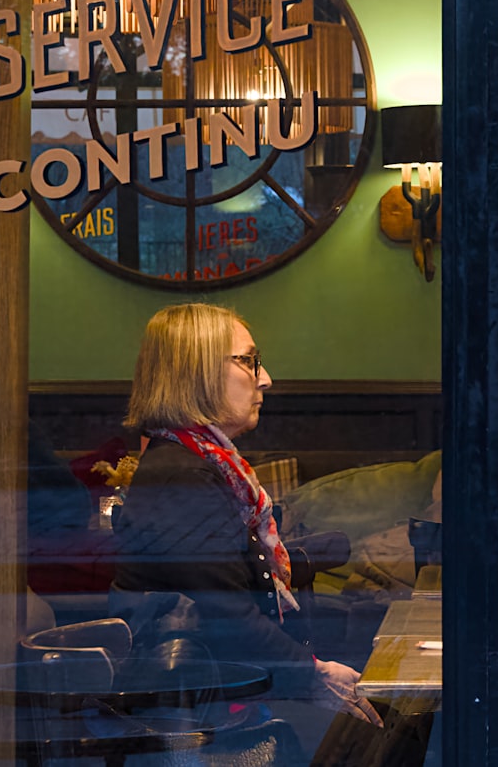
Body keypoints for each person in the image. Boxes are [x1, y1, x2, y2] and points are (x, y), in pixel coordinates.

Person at [110, 303, 383, 742]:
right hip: (206, 717)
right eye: (249, 361)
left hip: (222, 693)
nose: (265, 378)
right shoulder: (182, 473)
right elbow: (227, 616)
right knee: (391, 725)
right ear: (196, 371)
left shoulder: (197, 462)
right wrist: (315, 676)